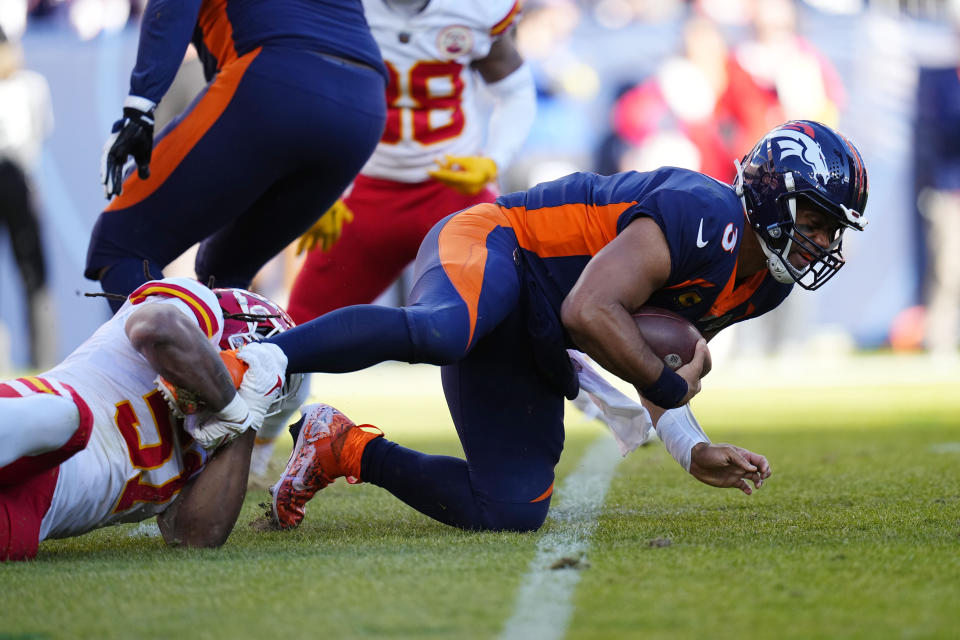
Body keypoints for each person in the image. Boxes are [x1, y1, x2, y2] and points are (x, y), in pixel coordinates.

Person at [257, 120, 869, 533]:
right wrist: (669, 387)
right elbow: (593, 311)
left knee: (511, 508)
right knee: (445, 329)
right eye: (812, 220)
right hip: (499, 246)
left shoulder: (764, 284)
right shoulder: (702, 214)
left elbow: (661, 359)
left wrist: (691, 447)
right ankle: (263, 357)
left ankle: (340, 445)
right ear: (769, 195)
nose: (820, 242)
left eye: (831, 230)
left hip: (539, 329)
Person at [84, 0, 387, 313]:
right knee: (224, 269)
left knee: (118, 243)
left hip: (276, 76)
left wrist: (140, 107)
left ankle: (188, 360)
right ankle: (244, 358)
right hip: (365, 103)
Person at [0, 278, 294, 561]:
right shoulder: (196, 307)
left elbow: (195, 536)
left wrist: (247, 422)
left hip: (33, 512)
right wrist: (233, 408)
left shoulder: (212, 444)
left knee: (13, 541)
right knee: (70, 420)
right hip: (32, 421)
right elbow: (156, 328)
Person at [287, 0, 535, 323]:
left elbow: (515, 91)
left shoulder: (476, 7)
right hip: (364, 194)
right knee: (294, 328)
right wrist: (319, 182)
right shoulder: (344, 7)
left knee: (513, 318)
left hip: (455, 189)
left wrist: (493, 161)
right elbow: (309, 91)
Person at [0, 25, 56, 368]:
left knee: (35, 273)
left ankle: (44, 359)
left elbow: (37, 134)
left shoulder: (31, 85)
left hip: (17, 177)